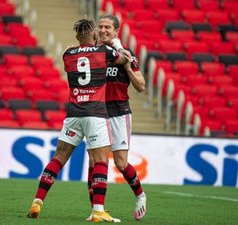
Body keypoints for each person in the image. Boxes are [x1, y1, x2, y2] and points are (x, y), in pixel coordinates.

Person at [27, 18, 128, 222]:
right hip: (96, 114)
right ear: (93, 34)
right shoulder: (104, 52)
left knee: (58, 158)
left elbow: (70, 67)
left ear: (76, 36)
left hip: (73, 114)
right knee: (100, 160)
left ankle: (37, 201)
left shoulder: (67, 54)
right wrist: (117, 47)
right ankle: (98, 210)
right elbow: (124, 59)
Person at [86, 15, 147, 221]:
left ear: (116, 31)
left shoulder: (126, 54)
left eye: (107, 27)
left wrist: (128, 67)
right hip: (97, 113)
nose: (103, 30)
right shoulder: (93, 53)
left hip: (119, 112)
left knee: (121, 163)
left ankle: (140, 195)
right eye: (100, 27)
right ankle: (95, 209)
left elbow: (141, 86)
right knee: (93, 161)